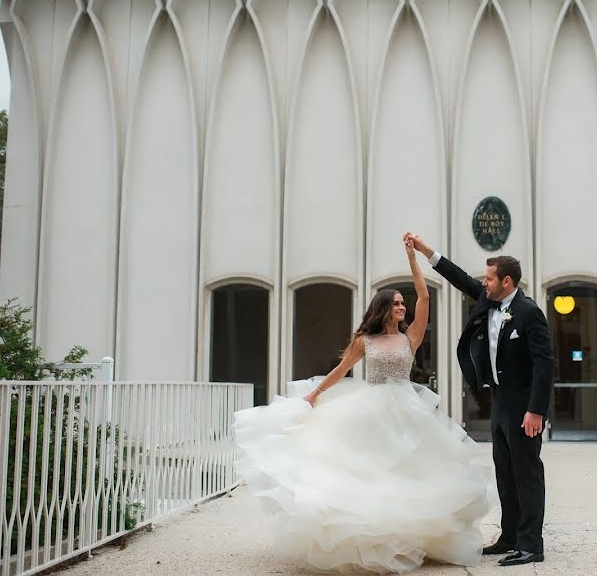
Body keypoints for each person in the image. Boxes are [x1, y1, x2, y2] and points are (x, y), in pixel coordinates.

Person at [233, 239, 495, 574]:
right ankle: (372, 541)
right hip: (371, 410)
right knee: (371, 472)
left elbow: (425, 297)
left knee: (408, 471)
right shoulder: (365, 341)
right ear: (384, 307)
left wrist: (413, 257)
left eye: (403, 303)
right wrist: (314, 396)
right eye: (397, 303)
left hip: (406, 411)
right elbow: (340, 371)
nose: (403, 307)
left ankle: (408, 537)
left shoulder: (410, 337)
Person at [404, 232, 553, 567]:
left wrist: (536, 411)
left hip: (523, 405)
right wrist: (426, 251)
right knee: (505, 472)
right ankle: (510, 537)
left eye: (489, 278)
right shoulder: (488, 301)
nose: (483, 283)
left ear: (507, 281)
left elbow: (545, 365)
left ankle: (532, 545)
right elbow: (457, 276)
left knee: (527, 472)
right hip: (499, 401)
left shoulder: (530, 314)